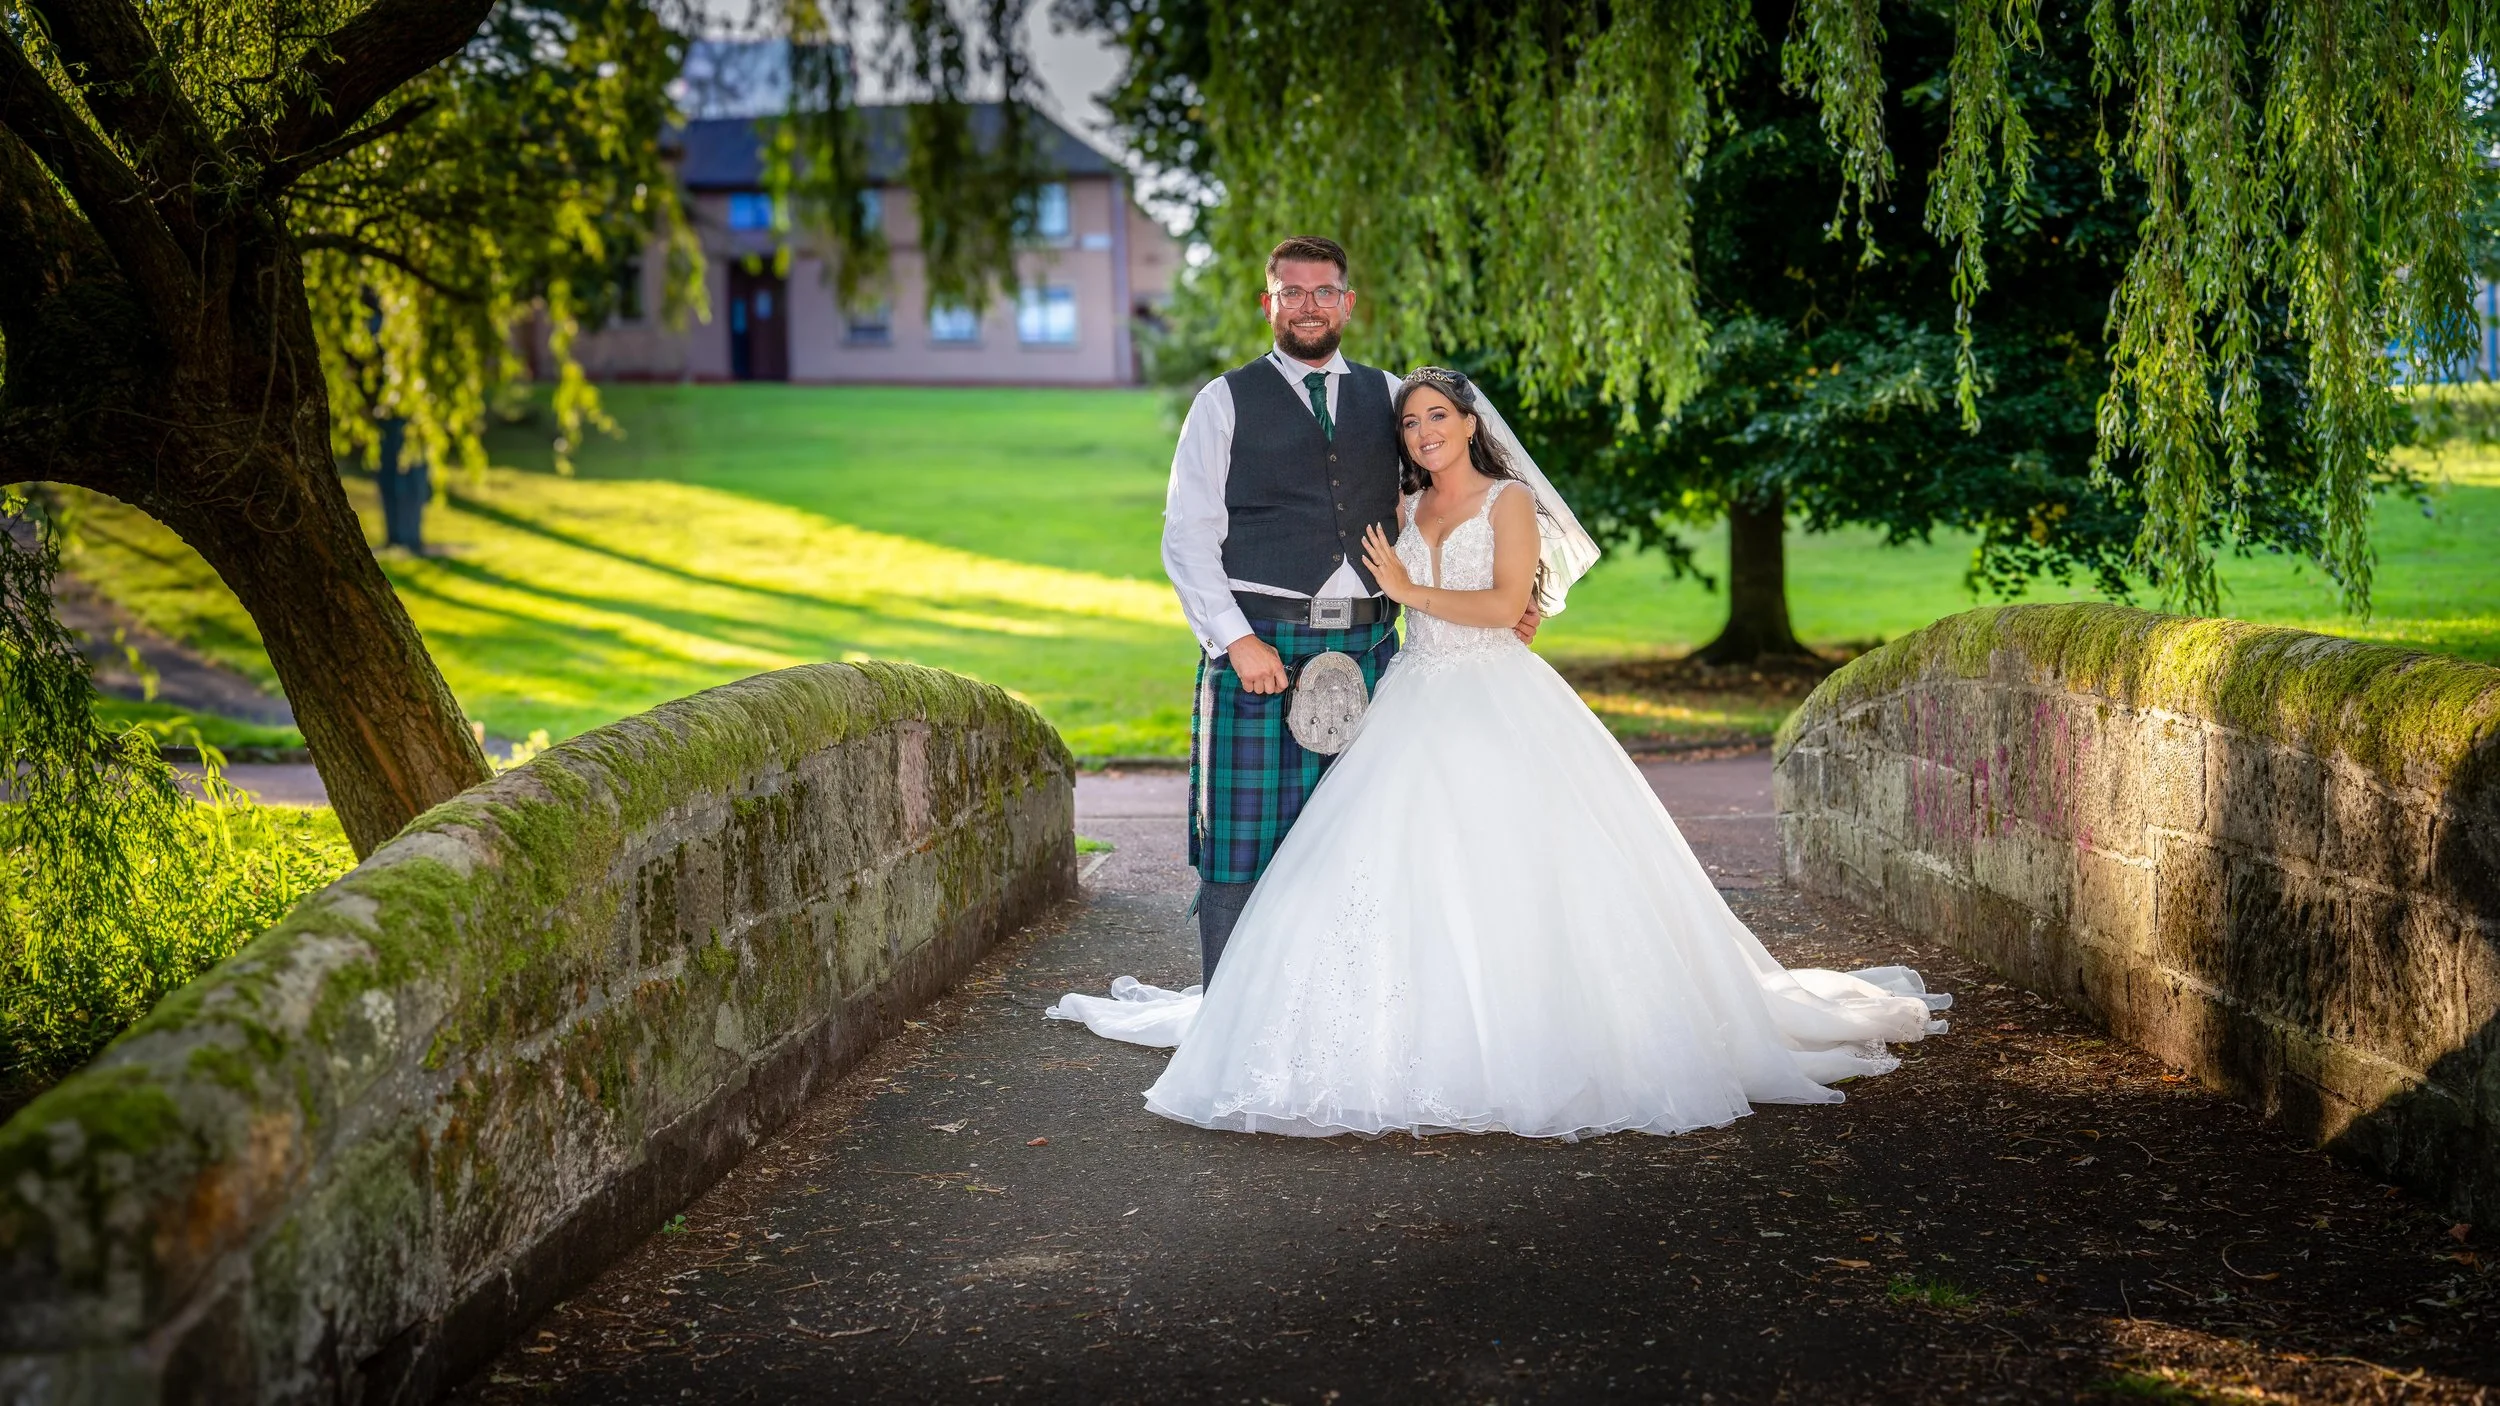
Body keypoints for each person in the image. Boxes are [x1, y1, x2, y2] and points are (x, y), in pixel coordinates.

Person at [1052, 364, 1948, 1139]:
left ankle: (1535, 1032)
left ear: (1474, 424)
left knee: (1518, 862)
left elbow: (1503, 604)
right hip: (1410, 694)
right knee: (1381, 862)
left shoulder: (1508, 500)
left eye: (1439, 416)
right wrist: (1394, 591)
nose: (1424, 430)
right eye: (1410, 420)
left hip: (1491, 698)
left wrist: (1409, 587)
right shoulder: (1403, 500)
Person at [1156, 236, 1547, 985]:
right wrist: (1235, 640)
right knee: (1242, 846)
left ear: (1347, 303)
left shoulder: (1394, 398)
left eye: (1324, 291)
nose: (1309, 306)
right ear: (1269, 302)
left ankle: (1341, 1019)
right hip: (1261, 649)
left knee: (1364, 846)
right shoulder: (1223, 401)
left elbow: (1450, 499)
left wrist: (1513, 597)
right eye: (1292, 292)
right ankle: (1228, 1028)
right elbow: (1187, 536)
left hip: (1375, 655)